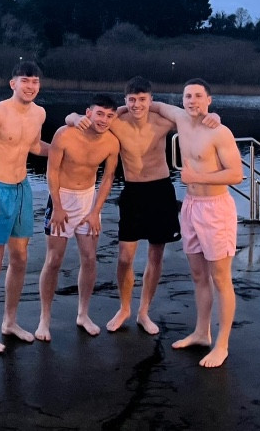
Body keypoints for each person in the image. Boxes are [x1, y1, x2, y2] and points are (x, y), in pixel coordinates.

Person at [66, 76, 220, 335]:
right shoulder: (117, 122)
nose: (137, 105)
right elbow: (83, 118)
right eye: (132, 100)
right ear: (125, 100)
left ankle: (144, 311)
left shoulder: (162, 121)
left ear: (151, 100)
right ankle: (124, 307)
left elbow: (194, 118)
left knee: (155, 255)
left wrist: (213, 116)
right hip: (133, 192)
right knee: (125, 257)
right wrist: (73, 117)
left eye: (142, 99)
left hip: (160, 190)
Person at [149, 78, 243, 368]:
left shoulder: (220, 132)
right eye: (187, 96)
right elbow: (152, 105)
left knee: (220, 278)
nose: (192, 101)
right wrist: (83, 115)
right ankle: (202, 333)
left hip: (216, 209)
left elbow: (236, 174)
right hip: (190, 207)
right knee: (199, 275)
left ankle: (222, 345)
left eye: (198, 96)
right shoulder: (179, 118)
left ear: (208, 100)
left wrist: (198, 177)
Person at [0, 61, 49, 354]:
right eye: (25, 80)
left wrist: (66, 149)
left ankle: (10, 322)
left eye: (35, 81)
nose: (30, 86)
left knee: (20, 259)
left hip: (22, 190)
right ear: (13, 83)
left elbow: (34, 146)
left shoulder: (39, 113)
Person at [35, 94, 120, 342]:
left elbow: (108, 178)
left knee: (90, 258)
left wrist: (95, 211)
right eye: (99, 113)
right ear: (88, 112)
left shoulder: (111, 142)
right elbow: (52, 171)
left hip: (88, 200)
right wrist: (58, 206)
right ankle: (44, 319)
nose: (104, 120)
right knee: (54, 260)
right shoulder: (65, 134)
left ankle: (83, 314)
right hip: (62, 197)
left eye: (109, 115)